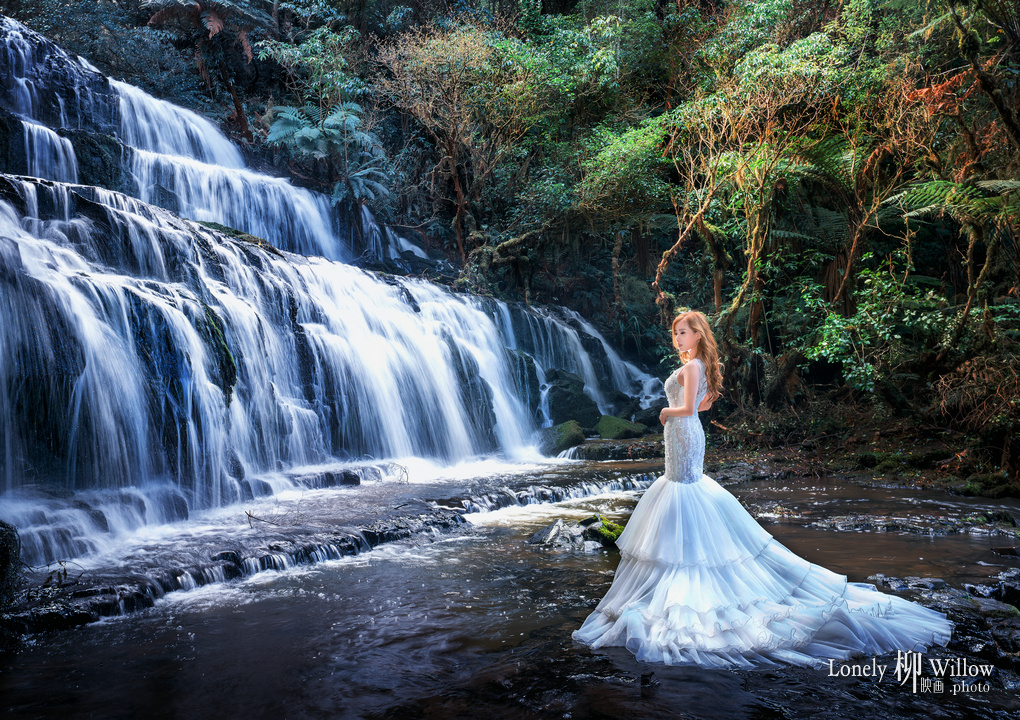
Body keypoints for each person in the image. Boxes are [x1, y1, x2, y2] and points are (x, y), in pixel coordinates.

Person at [572, 310, 954, 669]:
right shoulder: (699, 365)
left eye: (683, 332)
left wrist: (665, 412)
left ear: (698, 334)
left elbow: (688, 409)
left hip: (682, 432)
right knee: (683, 491)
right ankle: (683, 565)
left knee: (682, 490)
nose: (676, 337)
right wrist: (679, 413)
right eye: (674, 332)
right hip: (687, 436)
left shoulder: (692, 365)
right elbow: (704, 406)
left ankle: (684, 573)